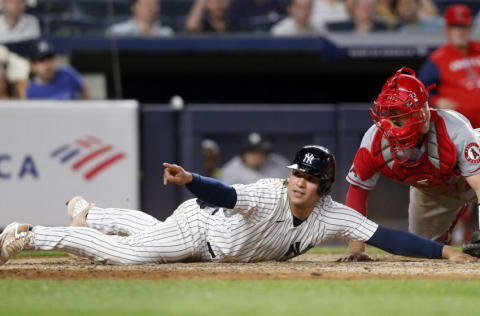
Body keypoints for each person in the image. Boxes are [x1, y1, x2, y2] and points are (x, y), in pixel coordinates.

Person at [0, 145, 477, 265]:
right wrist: (191, 180)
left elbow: (386, 237)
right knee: (132, 253)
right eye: (297, 173)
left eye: (310, 179)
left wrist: (443, 252)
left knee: (143, 232)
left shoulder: (334, 214)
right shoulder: (270, 190)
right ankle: (29, 233)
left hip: (215, 245)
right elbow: (226, 194)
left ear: (323, 186)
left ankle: (94, 214)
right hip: (201, 231)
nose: (299, 182)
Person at [343, 66, 480, 262]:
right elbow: (357, 191)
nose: (423, 114)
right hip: (432, 190)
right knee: (426, 249)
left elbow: (478, 183)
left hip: (473, 175)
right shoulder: (373, 141)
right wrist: (356, 249)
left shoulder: (455, 129)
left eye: (424, 105)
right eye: (391, 114)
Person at [418, 4, 480, 128]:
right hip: (461, 129)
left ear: (470, 28)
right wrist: (436, 101)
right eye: (455, 27)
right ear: (447, 29)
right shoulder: (438, 58)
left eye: (463, 27)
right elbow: (419, 90)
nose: (459, 32)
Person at [218, 132, 290, 185]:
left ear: (266, 153)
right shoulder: (230, 171)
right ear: (243, 153)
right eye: (252, 152)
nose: (256, 156)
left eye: (260, 152)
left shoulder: (279, 163)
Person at [106, 0, 173, 37]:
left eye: (154, 5)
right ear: (134, 7)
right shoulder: (117, 31)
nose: (151, 8)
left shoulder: (166, 33)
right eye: (147, 4)